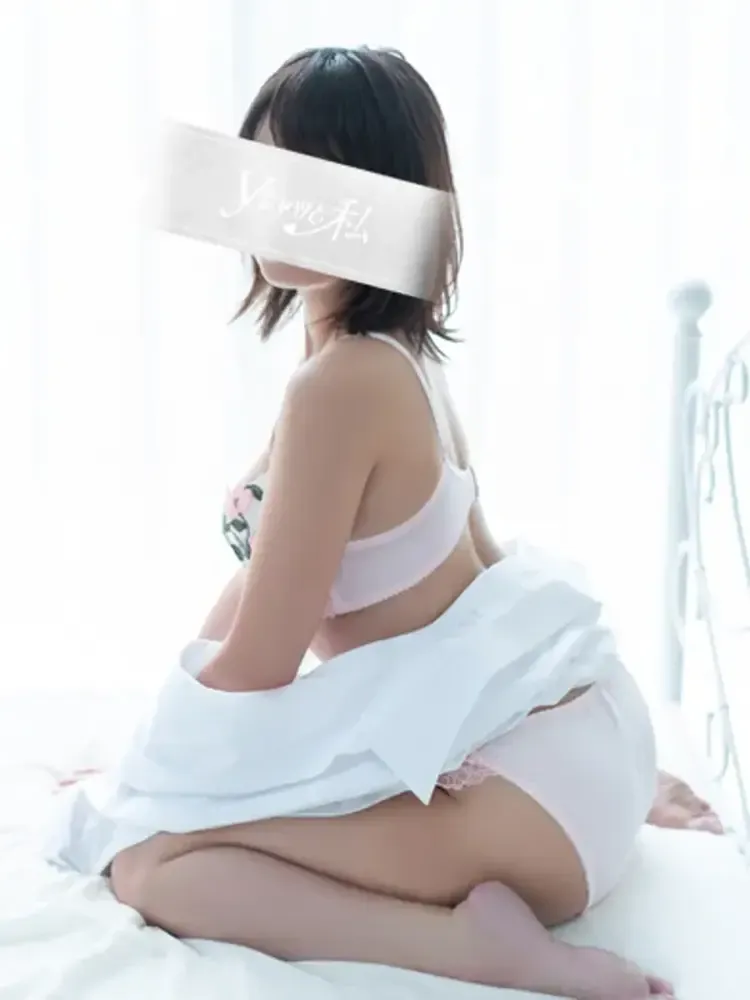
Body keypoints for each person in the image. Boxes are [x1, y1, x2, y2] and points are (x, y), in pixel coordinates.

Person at [45, 46, 722, 1000]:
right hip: (581, 742)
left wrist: (136, 790)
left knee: (155, 868)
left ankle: (476, 950)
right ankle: (594, 796)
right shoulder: (383, 355)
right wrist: (142, 768)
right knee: (151, 825)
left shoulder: (343, 384)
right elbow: (319, 583)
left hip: (546, 795)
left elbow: (260, 665)